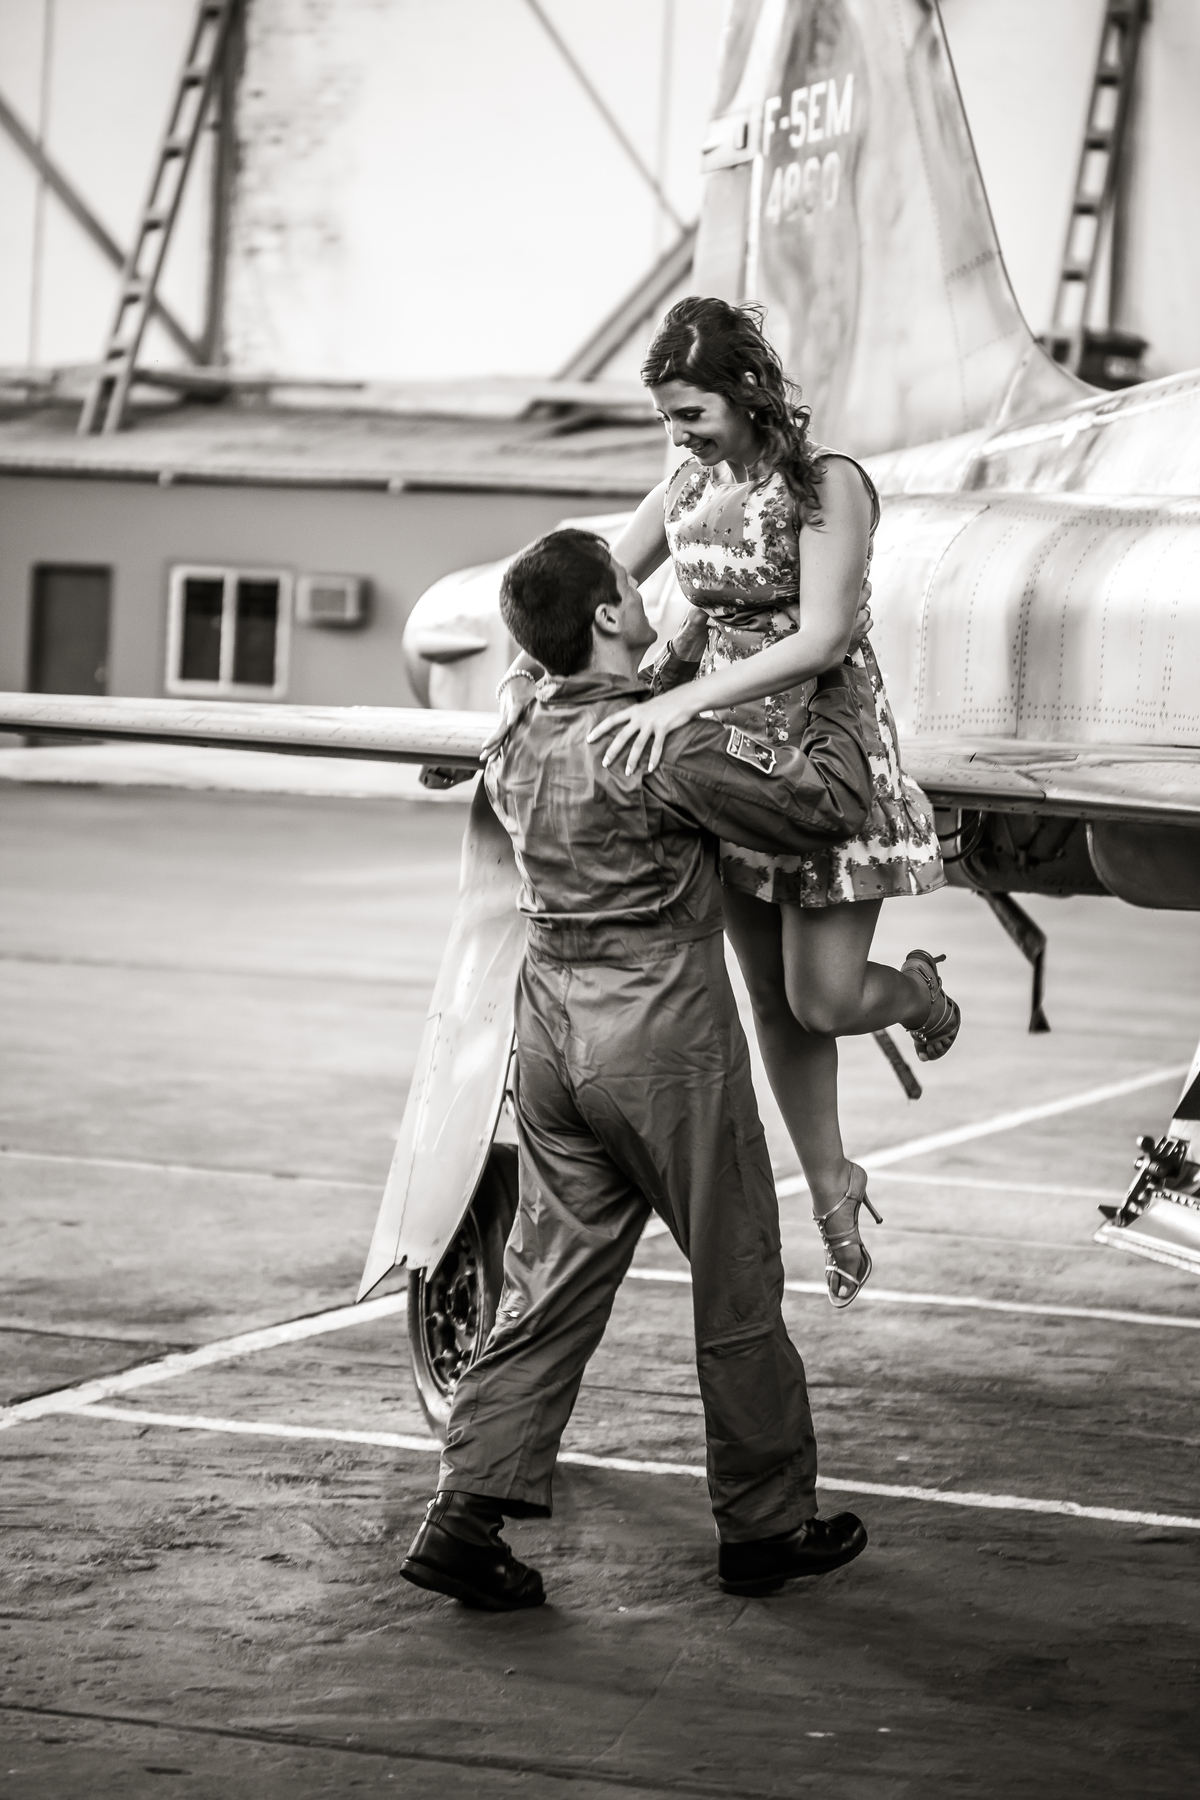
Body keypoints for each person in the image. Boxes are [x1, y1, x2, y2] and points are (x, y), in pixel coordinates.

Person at [401, 527, 875, 1612]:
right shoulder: (656, 746)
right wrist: (834, 668)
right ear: (611, 615)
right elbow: (827, 807)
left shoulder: (517, 725)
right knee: (737, 1274)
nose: (644, 588)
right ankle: (764, 1527)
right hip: (662, 1042)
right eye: (631, 580)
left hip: (553, 1040)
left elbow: (547, 668)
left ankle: (464, 1515)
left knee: (545, 1289)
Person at [492, 298, 958, 1310]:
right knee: (774, 1001)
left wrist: (687, 696)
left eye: (690, 415)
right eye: (667, 420)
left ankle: (917, 994)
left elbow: (825, 636)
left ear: (746, 394)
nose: (679, 437)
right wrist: (519, 682)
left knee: (823, 998)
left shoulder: (829, 486)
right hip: (723, 756)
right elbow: (587, 590)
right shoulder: (685, 488)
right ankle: (832, 1188)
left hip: (821, 741)